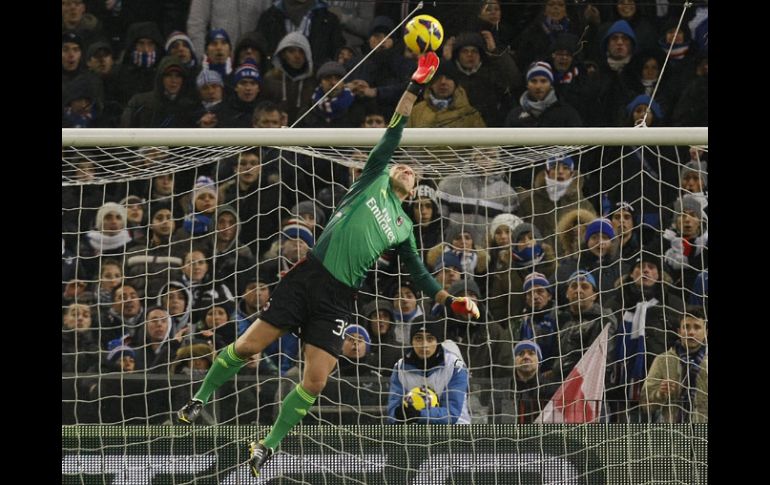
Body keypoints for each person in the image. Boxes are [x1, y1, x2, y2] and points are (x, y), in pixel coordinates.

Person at [175, 52, 481, 477]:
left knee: (316, 381)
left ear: (415, 191)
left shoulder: (404, 227)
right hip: (309, 277)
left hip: (339, 298)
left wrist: (451, 301)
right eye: (404, 166)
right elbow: (395, 128)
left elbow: (420, 275)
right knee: (248, 347)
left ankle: (267, 444)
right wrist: (414, 85)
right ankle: (201, 398)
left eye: (415, 174)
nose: (408, 169)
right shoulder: (372, 179)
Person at [387, 320, 471, 424]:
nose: (424, 344)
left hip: (456, 431)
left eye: (430, 339)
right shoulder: (400, 367)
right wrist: (399, 415)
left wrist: (419, 414)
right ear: (411, 341)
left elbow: (452, 413)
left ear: (438, 341)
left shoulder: (455, 366)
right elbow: (392, 410)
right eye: (418, 338)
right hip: (414, 433)